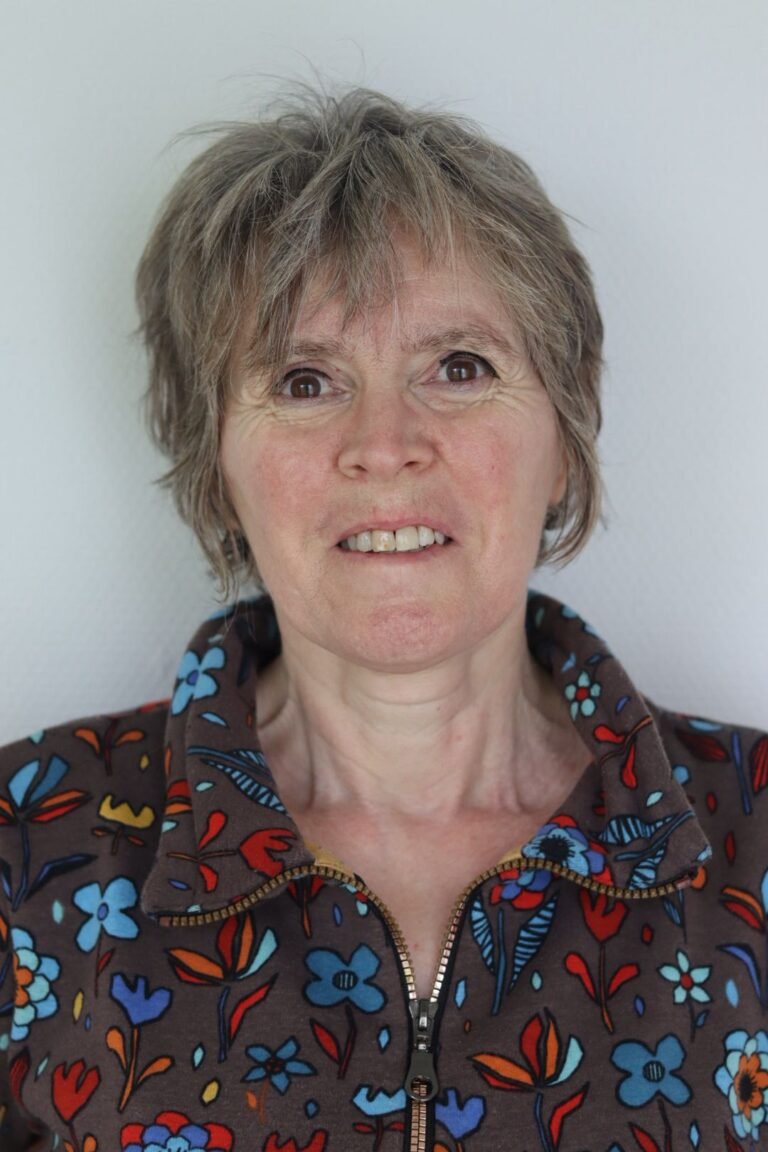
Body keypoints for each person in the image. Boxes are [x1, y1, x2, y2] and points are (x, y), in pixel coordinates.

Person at [0, 86, 765, 1152]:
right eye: (305, 381)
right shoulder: (27, 848)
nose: (386, 444)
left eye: (459, 368)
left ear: (565, 433)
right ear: (216, 465)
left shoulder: (752, 832)